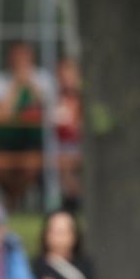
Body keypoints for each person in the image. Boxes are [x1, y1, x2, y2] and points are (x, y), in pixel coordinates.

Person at [0, 41, 57, 210]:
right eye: (16, 58)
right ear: (10, 60)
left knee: (32, 165)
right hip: (6, 140)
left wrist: (30, 86)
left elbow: (47, 109)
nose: (21, 62)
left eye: (24, 58)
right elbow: (0, 116)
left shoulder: (44, 79)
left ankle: (14, 202)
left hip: (33, 139)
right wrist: (16, 87)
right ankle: (14, 200)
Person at [54, 58, 83, 209]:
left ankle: (75, 199)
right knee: (63, 159)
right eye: (63, 76)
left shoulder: (86, 99)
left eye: (71, 75)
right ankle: (73, 200)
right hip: (62, 146)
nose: (67, 80)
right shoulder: (55, 99)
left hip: (82, 146)